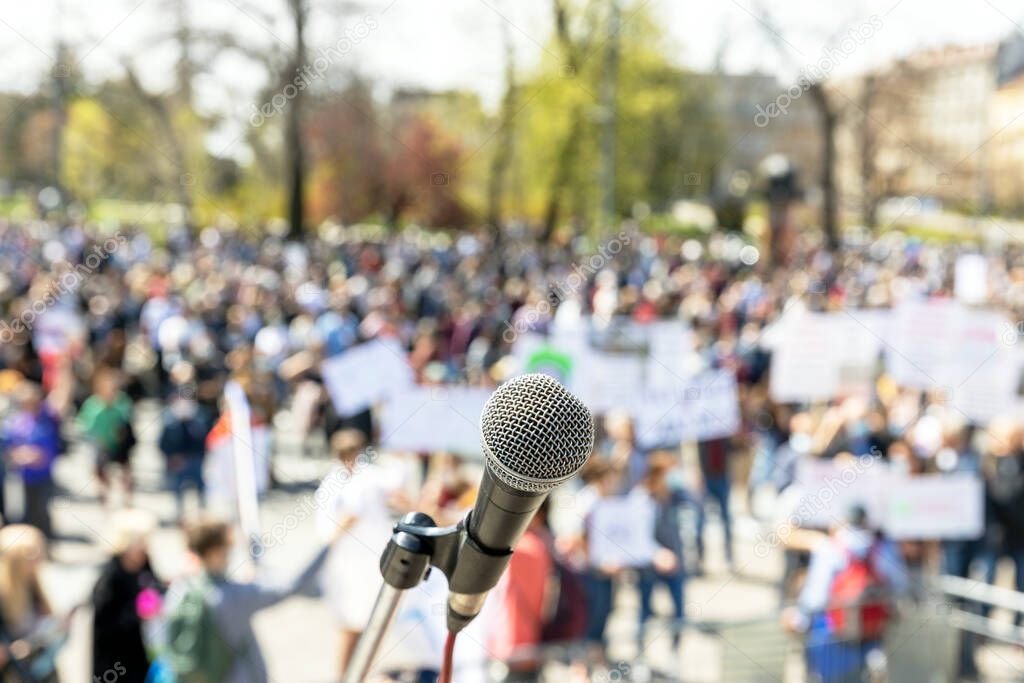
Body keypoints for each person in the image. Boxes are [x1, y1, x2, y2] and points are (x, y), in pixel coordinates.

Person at [164, 518, 336, 683]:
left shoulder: (179, 589)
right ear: (216, 552)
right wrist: (331, 541)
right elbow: (292, 585)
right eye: (229, 549)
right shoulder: (233, 596)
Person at [314, 429, 410, 677]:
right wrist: (327, 548)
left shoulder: (362, 476)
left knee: (365, 624)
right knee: (352, 625)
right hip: (349, 566)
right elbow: (347, 515)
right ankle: (347, 676)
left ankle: (356, 674)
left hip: (363, 563)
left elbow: (395, 485)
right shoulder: (338, 481)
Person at [785, 505, 908, 683]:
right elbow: (900, 584)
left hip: (834, 636)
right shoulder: (882, 546)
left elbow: (816, 597)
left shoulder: (831, 548)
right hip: (874, 633)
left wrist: (800, 619)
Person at [90, 510, 162, 683]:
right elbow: (105, 625)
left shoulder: (144, 565)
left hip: (141, 651)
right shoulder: (110, 577)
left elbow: (155, 589)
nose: (146, 546)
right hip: (115, 662)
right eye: (141, 541)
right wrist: (137, 613)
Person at [1, 376, 71, 538]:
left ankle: (47, 543)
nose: (28, 405)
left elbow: (63, 398)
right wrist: (19, 454)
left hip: (45, 476)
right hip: (26, 477)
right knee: (28, 513)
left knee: (42, 511)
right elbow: (9, 448)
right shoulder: (17, 421)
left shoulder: (48, 417)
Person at [635, 451, 692, 650]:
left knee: (679, 610)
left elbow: (696, 507)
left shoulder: (677, 496)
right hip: (649, 564)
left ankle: (675, 652)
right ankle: (640, 652)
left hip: (675, 561)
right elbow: (638, 536)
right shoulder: (642, 499)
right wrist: (656, 554)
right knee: (644, 610)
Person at [0, 525, 63, 682]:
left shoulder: (34, 585)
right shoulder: (4, 594)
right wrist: (15, 649)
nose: (39, 560)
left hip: (39, 668)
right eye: (31, 555)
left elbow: (47, 621)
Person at [77, 367, 135, 505]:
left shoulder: (123, 401)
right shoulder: (92, 403)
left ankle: (126, 500)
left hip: (120, 444)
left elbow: (127, 419)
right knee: (100, 472)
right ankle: (105, 497)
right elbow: (85, 425)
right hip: (101, 444)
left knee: (125, 473)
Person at [158, 391, 213, 518]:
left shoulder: (200, 420)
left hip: (196, 460)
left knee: (200, 488)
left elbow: (205, 440)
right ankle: (180, 515)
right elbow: (163, 444)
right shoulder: (170, 423)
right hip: (177, 463)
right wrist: (172, 457)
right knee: (177, 490)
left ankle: (202, 513)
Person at [696, 435, 734, 572]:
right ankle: (699, 558)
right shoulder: (702, 433)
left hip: (722, 476)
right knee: (700, 520)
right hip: (706, 477)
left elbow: (735, 449)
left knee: (726, 519)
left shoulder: (724, 434)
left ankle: (729, 557)